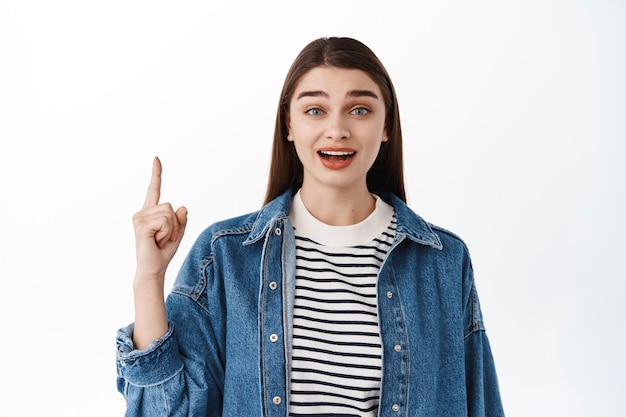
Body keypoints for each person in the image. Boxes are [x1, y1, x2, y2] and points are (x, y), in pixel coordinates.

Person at [116, 36, 505, 417]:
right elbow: (164, 410)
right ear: (289, 125)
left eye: (360, 110)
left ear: (387, 126)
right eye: (315, 111)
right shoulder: (226, 258)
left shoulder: (442, 261)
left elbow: (481, 405)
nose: (336, 130)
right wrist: (148, 278)